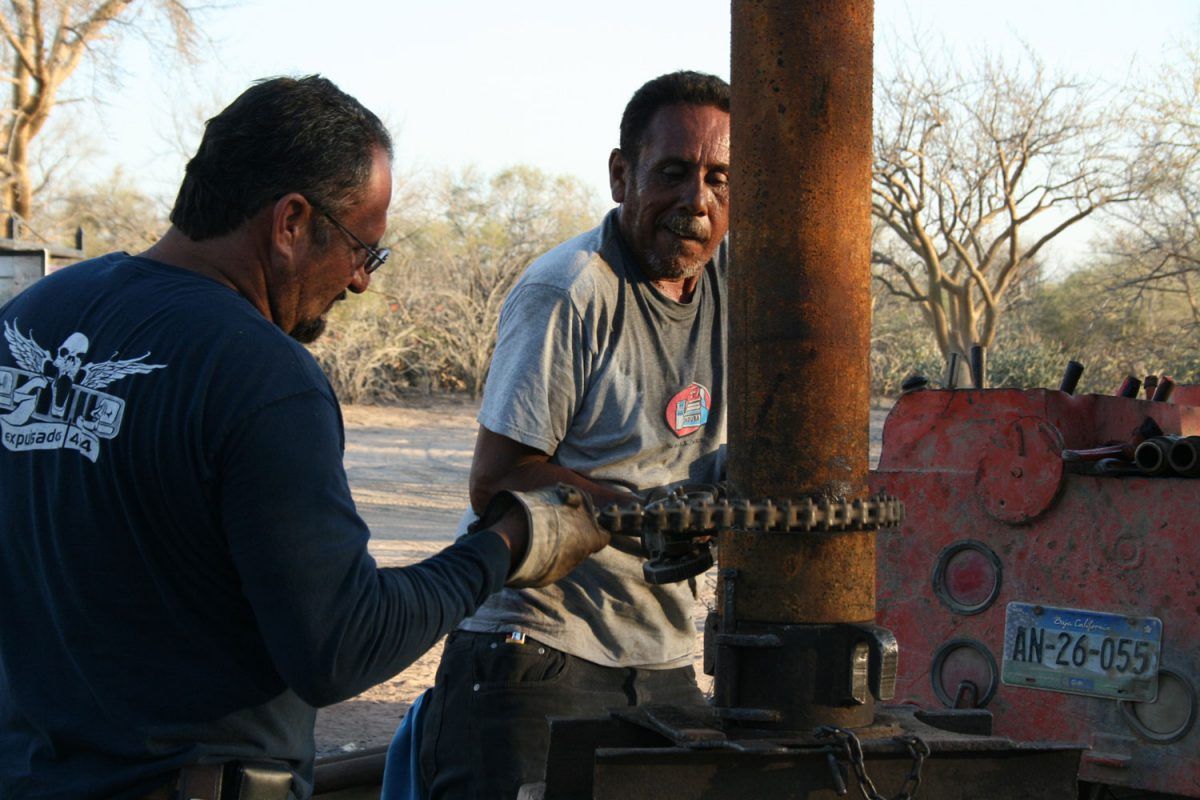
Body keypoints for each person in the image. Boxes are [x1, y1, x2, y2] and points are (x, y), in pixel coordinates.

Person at [0, 76, 607, 800]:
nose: (359, 283)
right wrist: (508, 542)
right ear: (290, 220)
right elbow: (340, 647)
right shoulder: (262, 374)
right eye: (363, 249)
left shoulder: (26, 320)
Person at [417, 70, 730, 798]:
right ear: (622, 174)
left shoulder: (735, 291)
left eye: (719, 178)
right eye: (674, 173)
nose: (698, 201)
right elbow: (497, 479)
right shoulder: (570, 291)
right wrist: (644, 516)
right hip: (539, 647)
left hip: (661, 657)